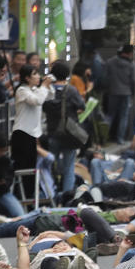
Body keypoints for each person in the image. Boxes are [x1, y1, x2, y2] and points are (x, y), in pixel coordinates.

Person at [42, 61, 85, 193]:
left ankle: (51, 193)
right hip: (68, 133)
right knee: (69, 166)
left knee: (49, 165)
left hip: (51, 132)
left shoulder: (46, 90)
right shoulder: (71, 90)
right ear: (67, 74)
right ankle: (67, 195)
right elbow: (82, 107)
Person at [11, 64, 53, 198]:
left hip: (32, 135)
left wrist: (47, 84)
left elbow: (50, 96)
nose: (38, 76)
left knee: (31, 171)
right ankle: (21, 198)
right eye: (35, 74)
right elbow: (37, 101)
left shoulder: (34, 89)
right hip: (21, 134)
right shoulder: (21, 90)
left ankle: (29, 198)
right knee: (24, 170)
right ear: (27, 78)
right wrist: (44, 86)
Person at [106, 45, 135, 144]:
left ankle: (104, 137)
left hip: (113, 91)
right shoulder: (131, 65)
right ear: (130, 53)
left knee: (110, 115)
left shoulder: (110, 61)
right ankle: (120, 138)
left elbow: (106, 75)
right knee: (124, 116)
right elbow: (133, 80)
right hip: (126, 92)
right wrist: (133, 92)